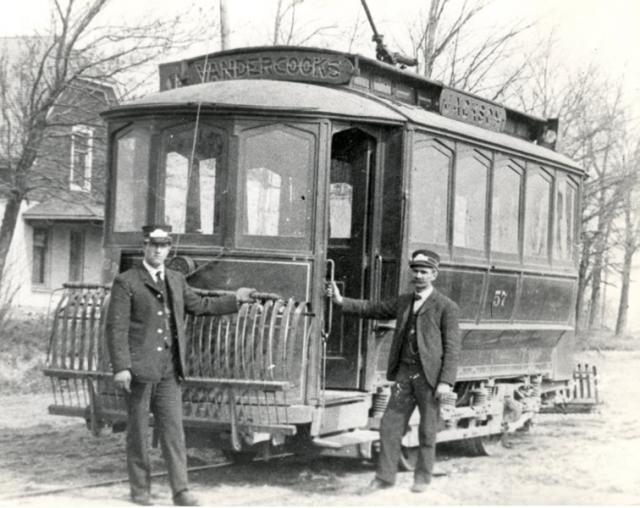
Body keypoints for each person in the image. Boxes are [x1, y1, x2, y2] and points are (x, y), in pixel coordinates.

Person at [105, 225, 255, 506]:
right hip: (139, 371)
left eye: (163, 246)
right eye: (153, 245)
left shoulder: (175, 278)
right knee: (137, 432)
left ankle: (181, 491)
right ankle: (140, 492)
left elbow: (199, 305)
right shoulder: (127, 282)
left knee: (174, 433)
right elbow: (116, 328)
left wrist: (235, 300)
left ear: (169, 249)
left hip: (169, 372)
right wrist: (122, 367)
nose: (158, 250)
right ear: (144, 247)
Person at [326, 249, 460, 494]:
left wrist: (446, 382)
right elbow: (373, 308)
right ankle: (385, 478)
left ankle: (423, 478)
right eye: (415, 271)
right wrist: (341, 301)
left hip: (429, 378)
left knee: (428, 429)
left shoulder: (446, 307)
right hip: (405, 375)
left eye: (424, 272)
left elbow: (452, 348)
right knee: (390, 425)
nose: (418, 276)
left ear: (434, 275)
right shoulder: (403, 302)